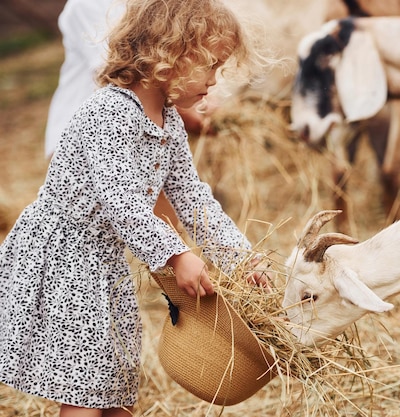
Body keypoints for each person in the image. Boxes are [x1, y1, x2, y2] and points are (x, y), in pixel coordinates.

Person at [0, 0, 270, 415]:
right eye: (211, 65)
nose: (215, 81)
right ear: (171, 54)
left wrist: (240, 258)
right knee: (82, 387)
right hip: (66, 258)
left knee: (117, 382)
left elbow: (190, 196)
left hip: (105, 262)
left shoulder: (168, 118)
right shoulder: (107, 112)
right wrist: (177, 254)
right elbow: (121, 200)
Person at [45, 0, 208, 160]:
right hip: (87, 135)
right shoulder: (86, 5)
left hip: (135, 129)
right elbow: (119, 71)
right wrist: (185, 110)